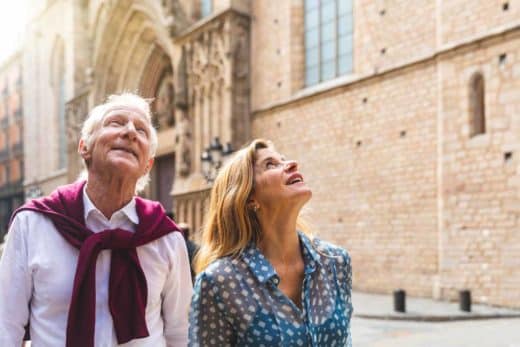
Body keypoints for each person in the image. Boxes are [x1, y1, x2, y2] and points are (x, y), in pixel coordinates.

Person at [0, 93, 193, 346]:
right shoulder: (33, 224)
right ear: (84, 147)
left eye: (142, 130)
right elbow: (6, 326)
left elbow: (181, 332)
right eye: (116, 122)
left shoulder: (165, 237)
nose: (130, 132)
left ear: (148, 164)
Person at [189, 139, 353, 346]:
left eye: (283, 160)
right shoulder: (219, 282)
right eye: (270, 164)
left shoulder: (335, 262)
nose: (292, 164)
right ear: (249, 198)